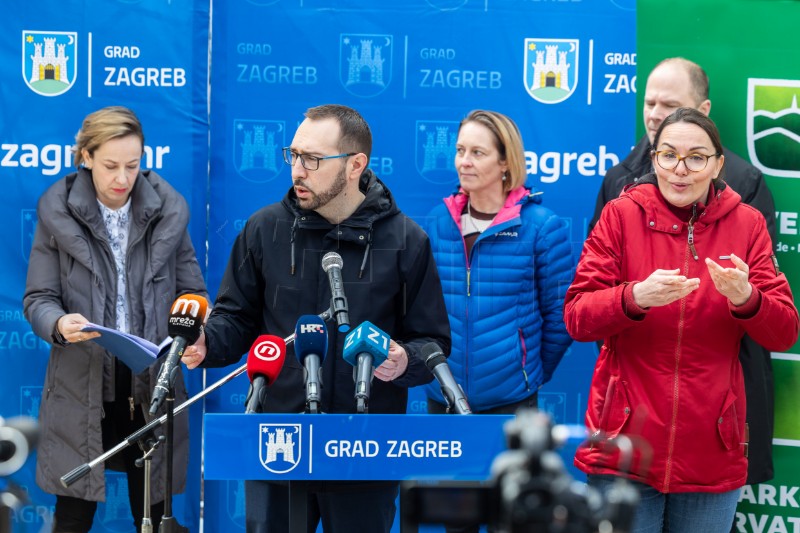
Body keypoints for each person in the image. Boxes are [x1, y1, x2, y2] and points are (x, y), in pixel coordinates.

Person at [181, 104, 450, 532]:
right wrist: (206, 343)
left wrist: (404, 361)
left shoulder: (406, 240)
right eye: (294, 155)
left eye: (313, 160)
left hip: (364, 449)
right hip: (278, 446)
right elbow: (235, 320)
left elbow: (430, 341)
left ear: (355, 165)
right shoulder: (263, 229)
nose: (297, 171)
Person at [565, 107, 798, 532]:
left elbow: (784, 331)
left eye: (696, 157)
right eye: (668, 155)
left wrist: (747, 297)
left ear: (717, 164)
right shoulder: (621, 215)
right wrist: (634, 297)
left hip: (712, 449)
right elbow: (578, 317)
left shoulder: (746, 225)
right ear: (654, 158)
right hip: (624, 444)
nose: (680, 170)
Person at [589, 57, 778, 487]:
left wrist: (745, 298)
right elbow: (585, 302)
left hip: (715, 401)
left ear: (703, 112)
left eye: (668, 103)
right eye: (649, 102)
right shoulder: (619, 182)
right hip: (633, 406)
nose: (655, 113)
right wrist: (633, 299)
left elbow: (775, 318)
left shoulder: (745, 187)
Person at [23, 106, 207, 532]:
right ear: (85, 157)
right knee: (72, 513)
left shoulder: (169, 209)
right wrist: (59, 324)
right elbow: (38, 298)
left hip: (152, 380)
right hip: (82, 380)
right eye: (110, 166)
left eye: (133, 165)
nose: (123, 178)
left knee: (156, 513)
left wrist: (194, 329)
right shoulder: (57, 210)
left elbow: (192, 293)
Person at [422, 109, 574, 418]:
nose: (464, 161)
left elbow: (561, 317)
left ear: (504, 162)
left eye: (478, 153)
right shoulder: (439, 221)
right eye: (460, 150)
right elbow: (423, 309)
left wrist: (526, 375)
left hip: (510, 403)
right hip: (442, 396)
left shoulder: (541, 227)